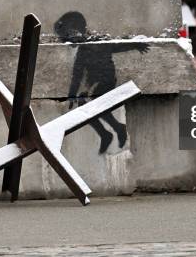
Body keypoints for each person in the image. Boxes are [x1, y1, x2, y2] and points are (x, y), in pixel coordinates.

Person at [54, 11, 149, 153]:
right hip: (94, 84)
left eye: (70, 38)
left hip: (107, 81)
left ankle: (115, 130)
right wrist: (72, 95)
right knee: (82, 103)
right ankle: (107, 133)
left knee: (92, 101)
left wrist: (136, 45)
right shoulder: (82, 52)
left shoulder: (97, 42)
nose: (69, 42)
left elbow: (117, 46)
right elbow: (77, 75)